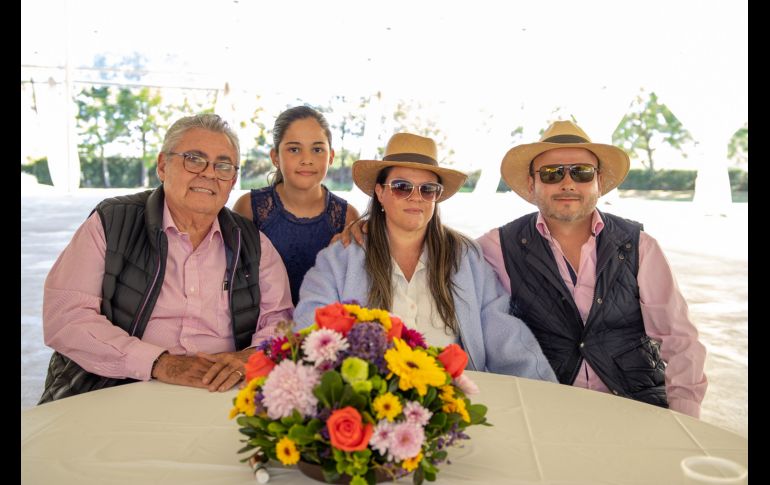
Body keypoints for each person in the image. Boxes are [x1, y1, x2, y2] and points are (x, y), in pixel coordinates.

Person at [39, 114, 294, 403]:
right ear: (163, 165)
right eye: (194, 159)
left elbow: (281, 320)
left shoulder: (252, 242)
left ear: (232, 180)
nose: (209, 174)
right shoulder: (112, 223)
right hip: (115, 386)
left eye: (222, 166)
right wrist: (161, 363)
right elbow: (66, 316)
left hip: (221, 393)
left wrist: (250, 358)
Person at [477, 120, 707, 417]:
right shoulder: (496, 246)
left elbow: (679, 338)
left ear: (598, 181)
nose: (568, 183)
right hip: (544, 407)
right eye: (552, 173)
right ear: (533, 184)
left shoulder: (639, 246)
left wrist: (685, 418)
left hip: (634, 403)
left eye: (581, 172)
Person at [293, 132, 557, 381]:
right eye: (401, 187)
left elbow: (503, 333)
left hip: (456, 395)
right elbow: (311, 335)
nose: (415, 197)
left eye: (427, 189)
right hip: (373, 400)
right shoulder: (338, 260)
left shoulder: (465, 257)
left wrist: (542, 389)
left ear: (436, 197)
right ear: (380, 192)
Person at [233, 106, 360, 305]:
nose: (307, 159)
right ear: (275, 157)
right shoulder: (249, 207)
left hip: (322, 330)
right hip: (259, 329)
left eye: (317, 149)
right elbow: (233, 280)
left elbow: (352, 288)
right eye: (294, 149)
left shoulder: (347, 216)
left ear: (331, 156)